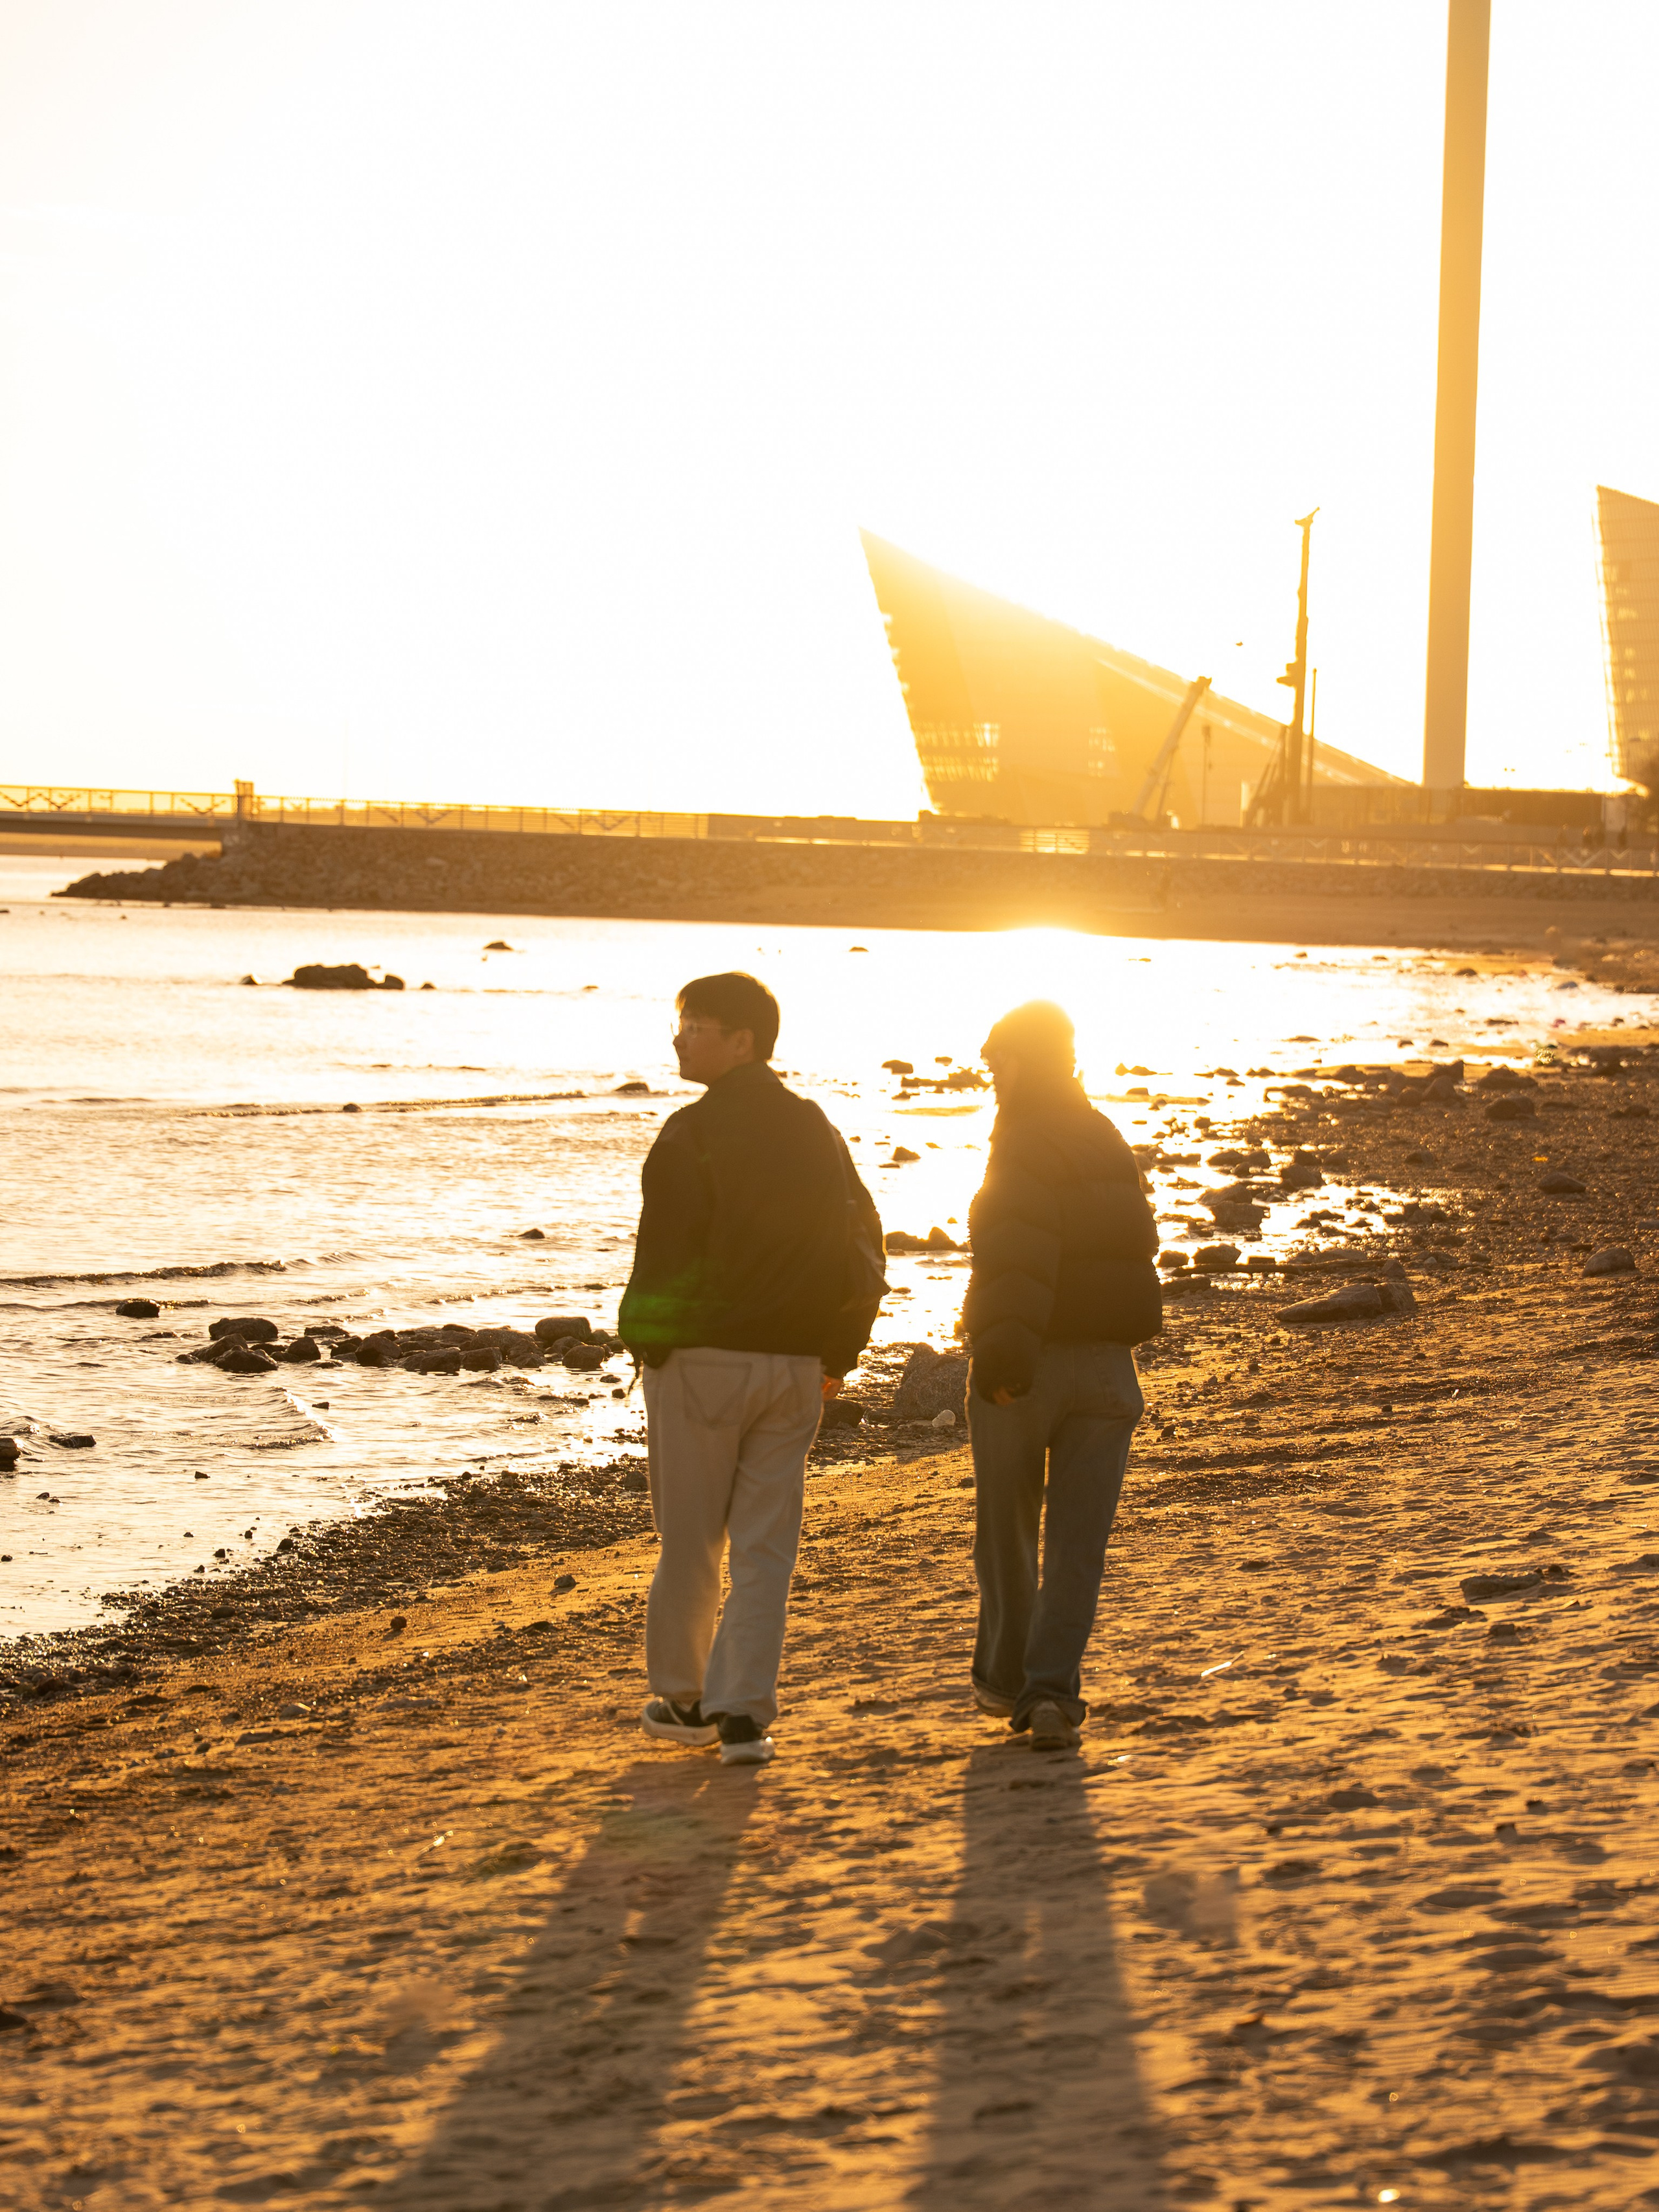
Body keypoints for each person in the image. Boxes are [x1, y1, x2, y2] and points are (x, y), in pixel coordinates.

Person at [620, 971, 883, 1767]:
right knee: (765, 1545)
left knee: (692, 1538)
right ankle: (743, 1714)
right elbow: (865, 1249)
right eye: (682, 1023)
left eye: (695, 1025)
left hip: (704, 1363)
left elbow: (662, 1252)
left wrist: (647, 1343)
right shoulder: (818, 1130)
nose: (679, 1037)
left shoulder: (690, 1133)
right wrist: (839, 1352)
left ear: (743, 1041)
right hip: (794, 1366)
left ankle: (685, 1696)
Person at [962, 999, 1162, 1751]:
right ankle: (1051, 1690)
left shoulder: (1020, 1140)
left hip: (1033, 1364)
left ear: (1024, 1061)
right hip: (1111, 1369)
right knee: (1079, 1544)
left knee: (1007, 1530)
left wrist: (1004, 1358)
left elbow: (1017, 1256)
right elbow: (1138, 1242)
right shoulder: (1105, 1135)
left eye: (996, 1065)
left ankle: (1006, 1681)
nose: (990, 1079)